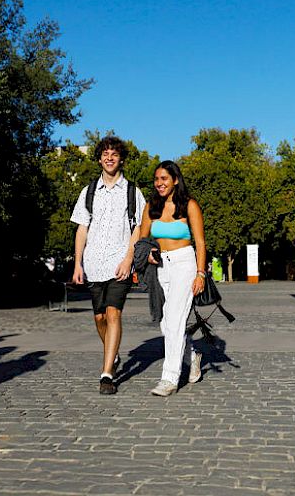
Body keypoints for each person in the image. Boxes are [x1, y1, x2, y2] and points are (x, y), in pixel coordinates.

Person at [118, 160, 205, 397]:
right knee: (166, 324)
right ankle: (192, 356)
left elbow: (200, 243)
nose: (159, 183)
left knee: (176, 320)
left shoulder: (189, 205)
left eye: (164, 179)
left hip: (184, 263)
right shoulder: (150, 207)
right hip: (160, 268)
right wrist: (148, 254)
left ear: (175, 180)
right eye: (157, 179)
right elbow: (142, 240)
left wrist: (200, 273)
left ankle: (169, 379)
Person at [70, 136, 147, 395]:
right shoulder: (89, 191)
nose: (110, 158)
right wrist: (77, 263)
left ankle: (107, 374)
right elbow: (82, 228)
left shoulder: (132, 192)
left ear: (121, 158)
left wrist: (129, 259)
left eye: (114, 154)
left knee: (113, 313)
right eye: (105, 154)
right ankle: (112, 354)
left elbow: (139, 228)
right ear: (100, 158)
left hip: (119, 265)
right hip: (93, 264)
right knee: (100, 317)